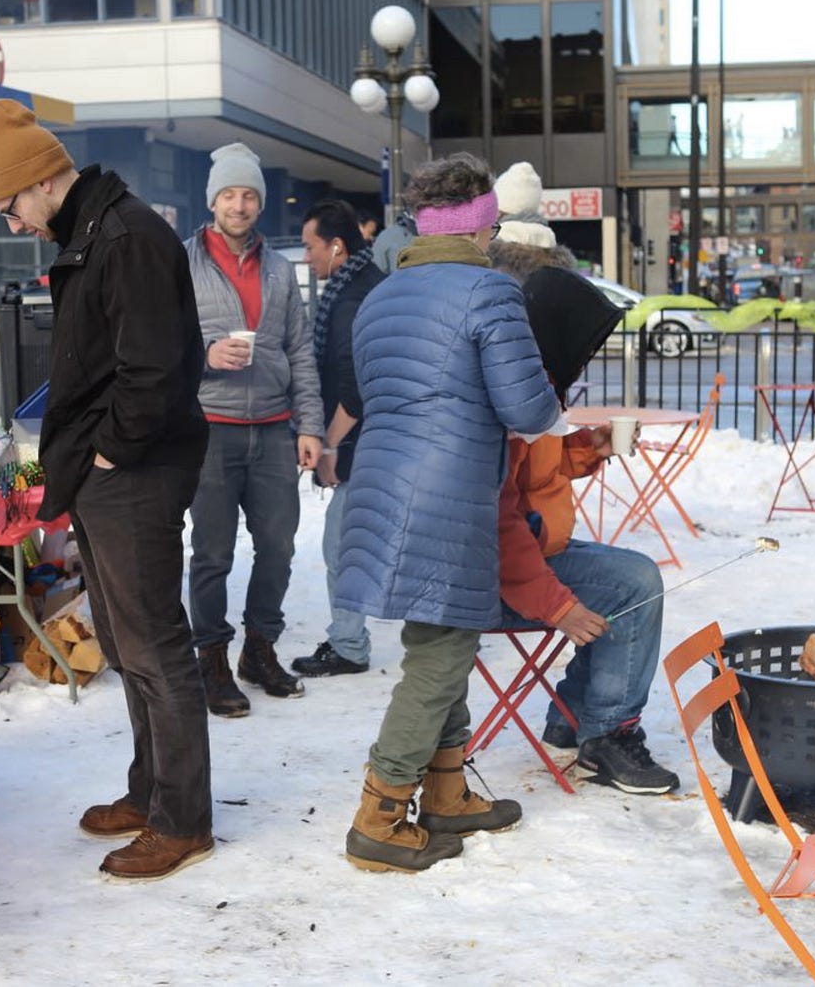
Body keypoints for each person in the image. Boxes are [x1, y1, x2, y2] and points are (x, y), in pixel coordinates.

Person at [0, 98, 214, 880]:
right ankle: (152, 792)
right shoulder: (91, 232)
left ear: (42, 181)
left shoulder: (127, 235)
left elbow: (152, 367)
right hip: (109, 470)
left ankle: (182, 821)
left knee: (153, 644)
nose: (11, 224)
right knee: (122, 641)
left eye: (9, 207)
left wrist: (112, 451)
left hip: (137, 470)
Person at [335, 153, 562, 873]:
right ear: (482, 224)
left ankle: (447, 793)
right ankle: (381, 812)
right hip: (447, 492)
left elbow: (374, 392)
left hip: (383, 485)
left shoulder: (382, 295)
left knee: (439, 638)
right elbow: (527, 409)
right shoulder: (488, 293)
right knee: (441, 656)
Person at [488, 244, 681, 794]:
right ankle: (607, 735)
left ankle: (572, 716)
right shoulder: (512, 397)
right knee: (635, 582)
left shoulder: (537, 383)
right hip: (500, 576)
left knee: (627, 575)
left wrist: (588, 448)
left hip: (537, 552)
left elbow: (539, 473)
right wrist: (559, 607)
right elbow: (498, 523)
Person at [184, 141, 325, 717]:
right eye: (229, 194)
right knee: (212, 553)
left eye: (248, 195)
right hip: (210, 427)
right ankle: (212, 658)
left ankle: (259, 649)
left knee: (279, 546)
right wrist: (206, 355)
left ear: (259, 203)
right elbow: (158, 345)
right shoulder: (180, 262)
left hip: (272, 428)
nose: (238, 205)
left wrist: (309, 425)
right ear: (213, 200)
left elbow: (301, 349)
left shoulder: (279, 268)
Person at [289, 199, 385, 677]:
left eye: (311, 247)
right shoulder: (368, 284)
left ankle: (349, 645)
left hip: (364, 446)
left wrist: (328, 447)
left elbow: (355, 389)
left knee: (341, 547)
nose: (308, 257)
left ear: (337, 246)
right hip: (381, 444)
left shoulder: (350, 302)